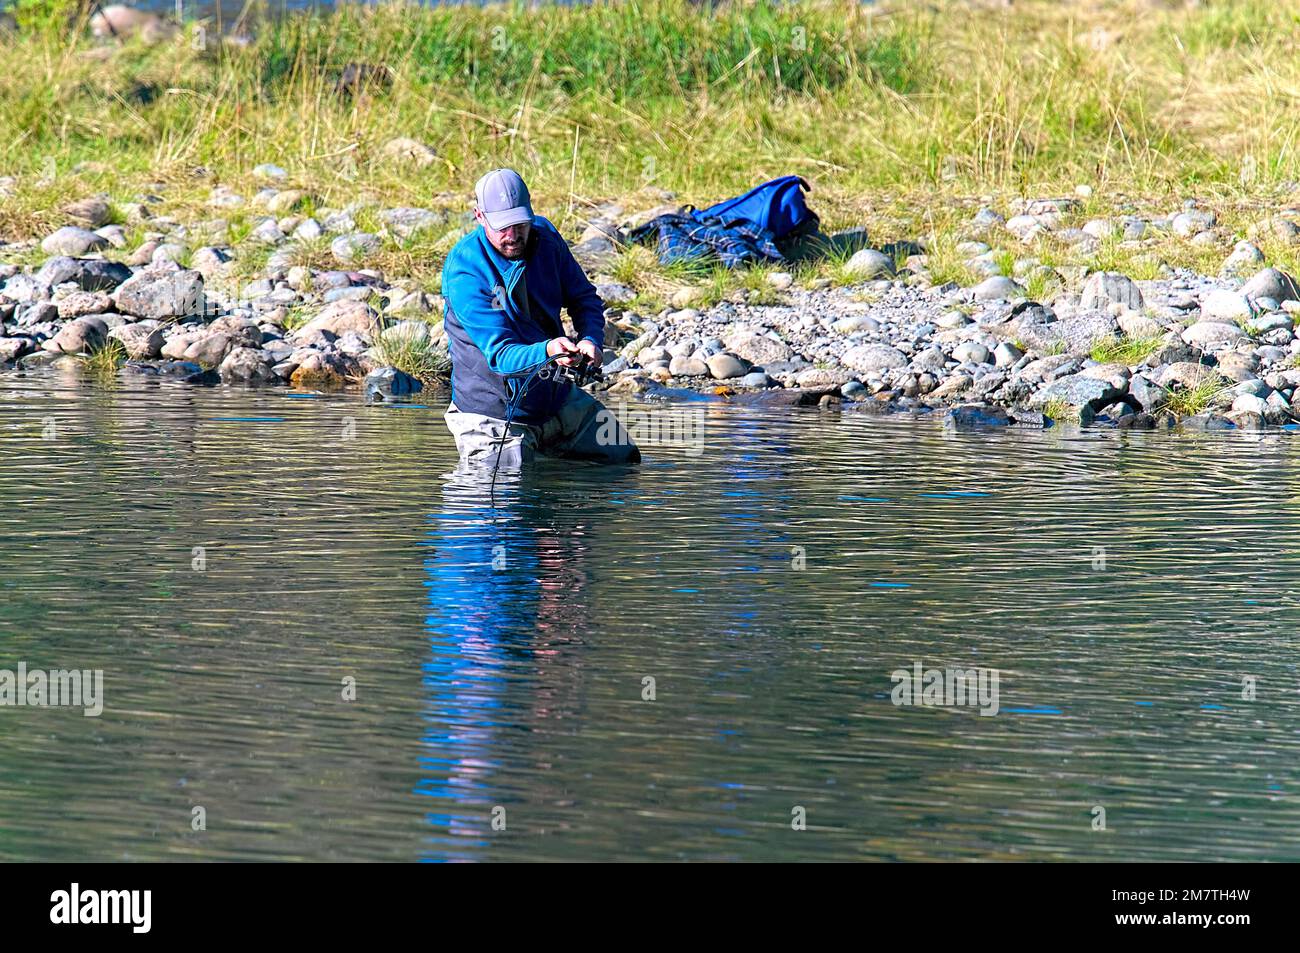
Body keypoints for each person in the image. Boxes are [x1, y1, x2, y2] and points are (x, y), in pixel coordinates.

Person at [441, 168, 640, 468]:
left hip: (553, 397)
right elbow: (501, 356)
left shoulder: (546, 238)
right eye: (502, 227)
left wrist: (589, 339)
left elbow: (583, 298)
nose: (513, 236)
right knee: (508, 503)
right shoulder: (465, 271)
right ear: (479, 217)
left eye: (520, 224)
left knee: (623, 459)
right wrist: (549, 350)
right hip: (491, 413)